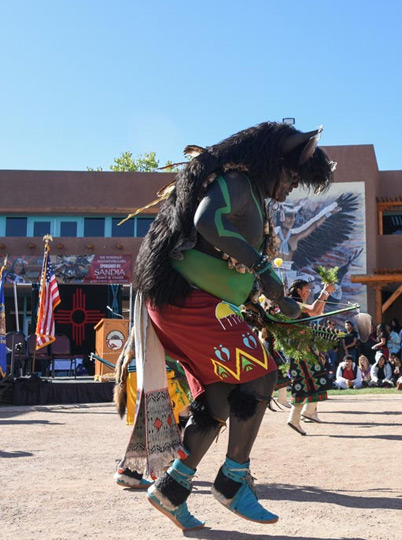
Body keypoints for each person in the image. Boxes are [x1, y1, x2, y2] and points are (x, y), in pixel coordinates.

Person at [116, 122, 334, 531]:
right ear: (275, 162)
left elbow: (230, 270)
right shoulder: (235, 181)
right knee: (263, 372)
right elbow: (206, 222)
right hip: (184, 301)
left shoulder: (251, 194)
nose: (290, 187)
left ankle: (171, 489)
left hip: (197, 303)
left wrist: (278, 303)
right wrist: (263, 267)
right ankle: (234, 479)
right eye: (291, 175)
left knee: (217, 401)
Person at [285, 278, 337, 435]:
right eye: (306, 290)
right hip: (299, 349)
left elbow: (317, 312)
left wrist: (326, 295)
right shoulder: (292, 303)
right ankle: (294, 419)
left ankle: (309, 412)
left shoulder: (297, 305)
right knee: (304, 381)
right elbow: (314, 310)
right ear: (299, 290)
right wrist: (325, 291)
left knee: (314, 377)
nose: (308, 292)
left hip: (305, 348)